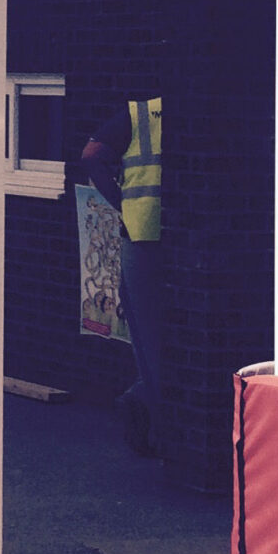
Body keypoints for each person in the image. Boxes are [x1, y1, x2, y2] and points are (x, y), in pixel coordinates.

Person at [79, 97, 163, 457]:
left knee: (148, 338)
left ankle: (151, 415)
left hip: (142, 232)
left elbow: (91, 155)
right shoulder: (209, 109)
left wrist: (121, 201)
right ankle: (150, 408)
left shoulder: (140, 114)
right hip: (188, 236)